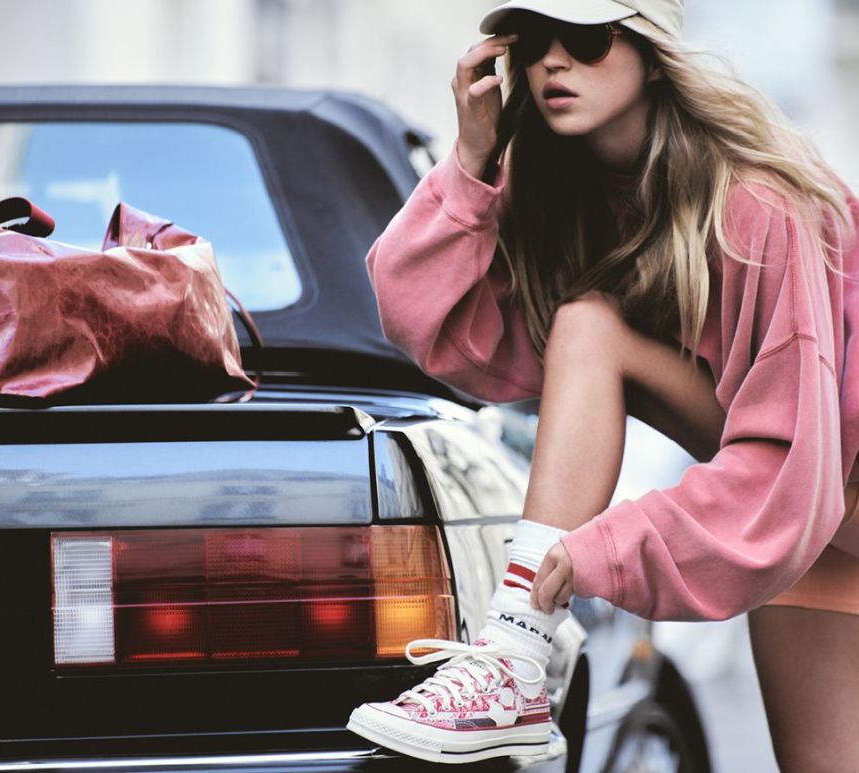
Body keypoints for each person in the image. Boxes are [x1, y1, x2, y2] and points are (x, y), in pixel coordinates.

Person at [346, 0, 859, 769]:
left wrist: (607, 548)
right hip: (816, 521)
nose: (554, 60)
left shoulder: (755, 203)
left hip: (816, 486)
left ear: (650, 51)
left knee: (589, 323)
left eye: (584, 37)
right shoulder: (561, 194)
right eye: (533, 41)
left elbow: (791, 451)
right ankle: (514, 659)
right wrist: (472, 157)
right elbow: (421, 314)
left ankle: (514, 653)